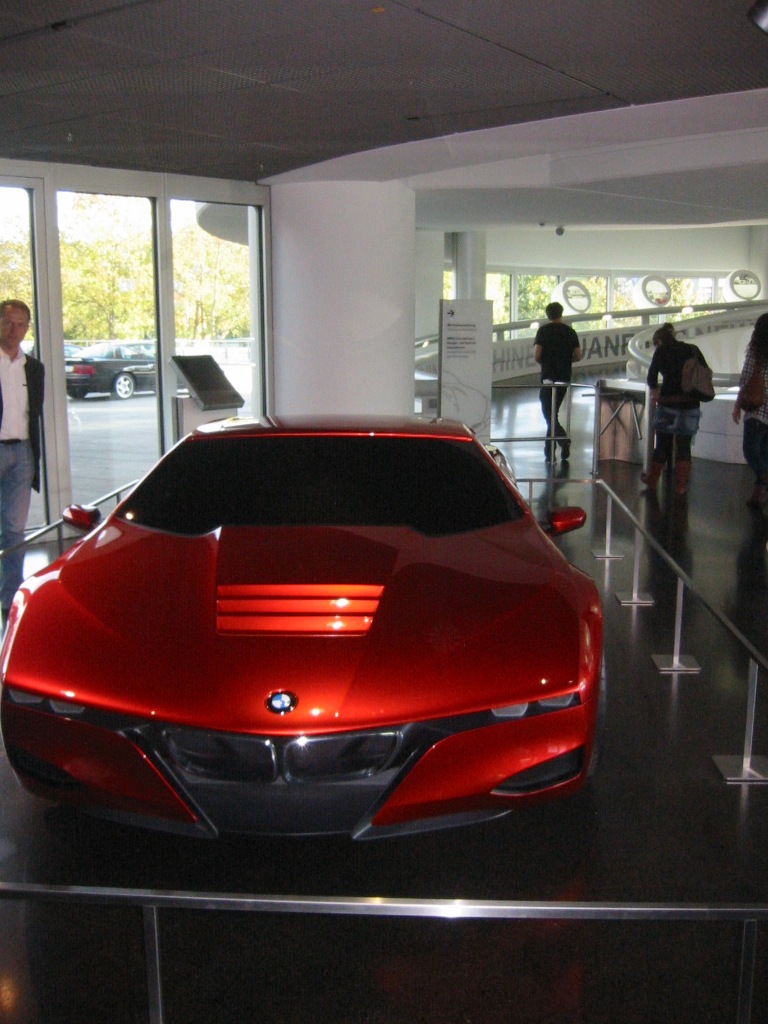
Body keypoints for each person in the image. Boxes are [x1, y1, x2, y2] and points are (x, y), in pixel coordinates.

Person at [0, 300, 45, 625]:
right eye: (7, 322)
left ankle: (9, 598)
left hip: (22, 454)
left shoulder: (34, 368)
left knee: (15, 530)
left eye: (20, 324)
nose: (13, 330)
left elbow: (35, 414)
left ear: (28, 327)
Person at [641, 322, 709, 496]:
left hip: (668, 404)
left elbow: (651, 377)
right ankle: (681, 486)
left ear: (659, 342)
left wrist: (655, 393)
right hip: (691, 404)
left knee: (662, 445)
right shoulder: (692, 349)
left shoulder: (661, 351)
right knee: (684, 446)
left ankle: (652, 480)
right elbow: (706, 371)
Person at [534, 301, 582, 461]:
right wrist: (566, 362)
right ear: (561, 313)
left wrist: (546, 363)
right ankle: (553, 446)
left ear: (548, 315)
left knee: (548, 412)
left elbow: (537, 355)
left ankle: (559, 442)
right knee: (553, 413)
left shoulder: (543, 331)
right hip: (564, 376)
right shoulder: (570, 332)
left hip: (548, 376)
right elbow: (578, 355)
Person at [732, 312, 768, 511]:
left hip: (757, 410)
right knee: (764, 453)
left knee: (751, 451)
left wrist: (738, 404)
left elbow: (745, 379)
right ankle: (758, 495)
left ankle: (763, 478)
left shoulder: (756, 352)